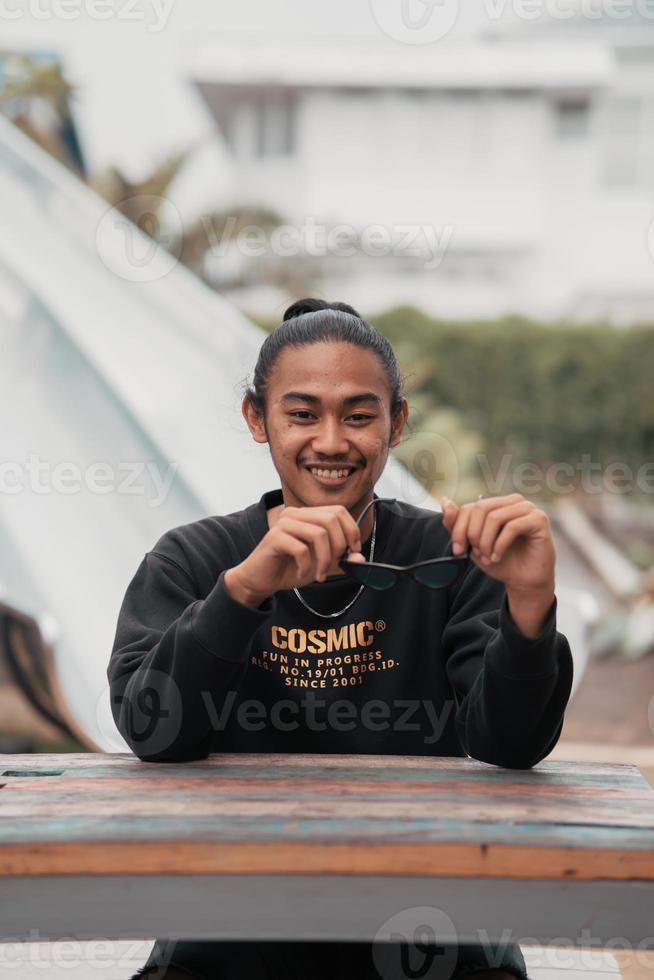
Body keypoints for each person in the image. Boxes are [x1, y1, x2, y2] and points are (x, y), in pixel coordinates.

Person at [108, 298, 574, 980]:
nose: (331, 441)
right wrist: (241, 592)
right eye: (302, 414)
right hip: (234, 923)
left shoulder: (451, 555)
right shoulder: (196, 558)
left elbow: (510, 746)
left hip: (430, 921)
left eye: (359, 415)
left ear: (398, 423)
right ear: (256, 419)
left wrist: (529, 601)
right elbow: (154, 736)